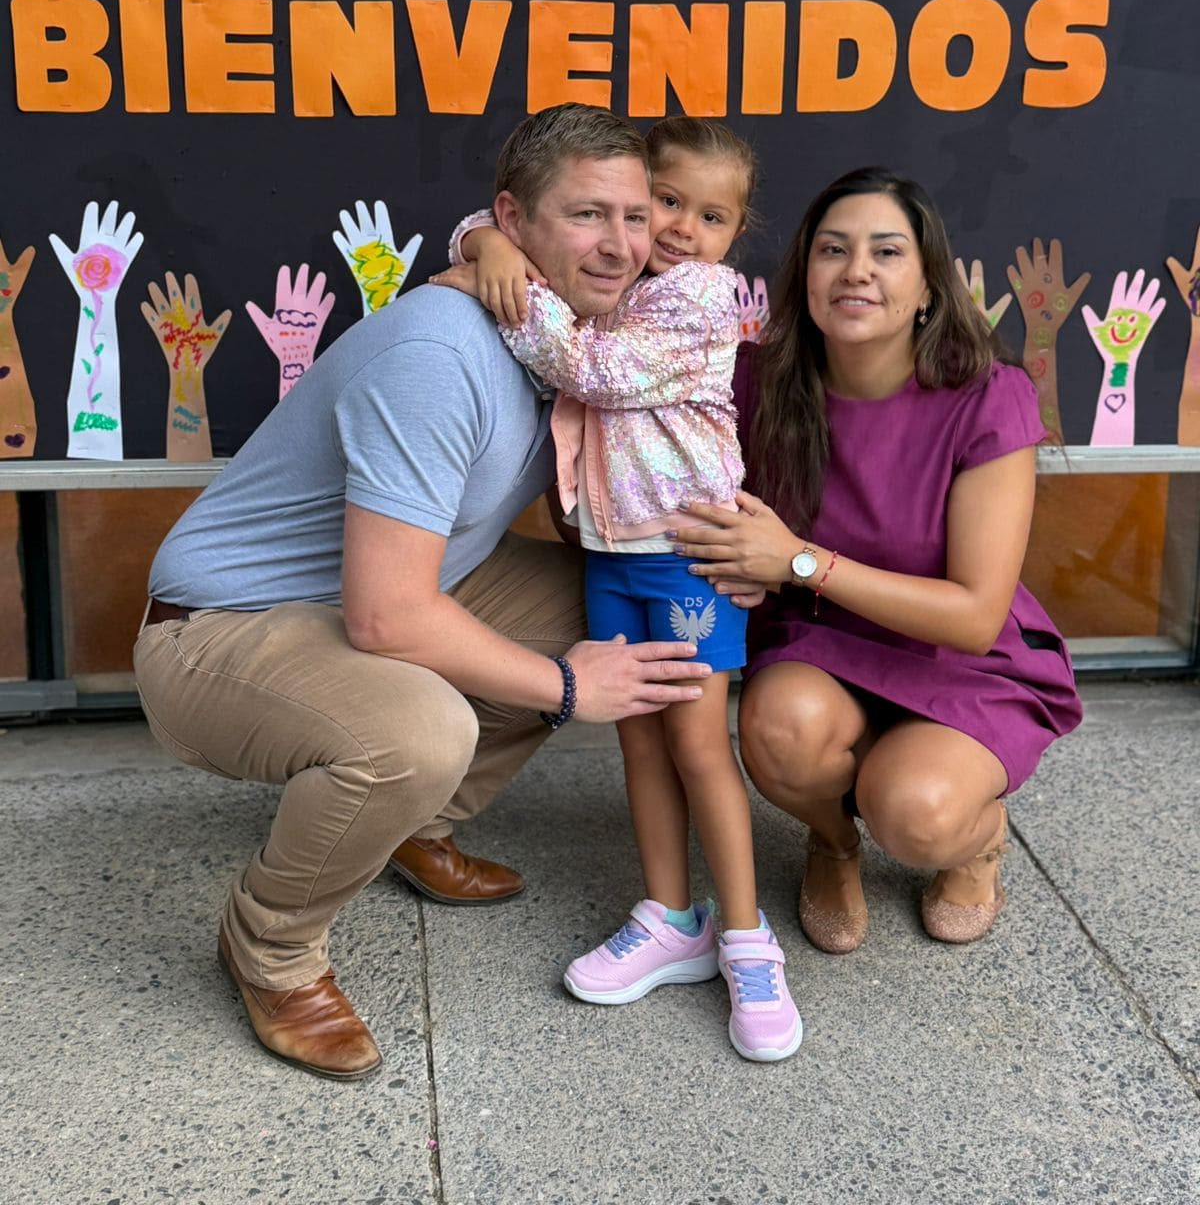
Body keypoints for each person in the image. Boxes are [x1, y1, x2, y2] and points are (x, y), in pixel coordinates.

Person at [131, 103, 717, 1082]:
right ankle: (270, 944)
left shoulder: (563, 332)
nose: (621, 246)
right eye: (586, 215)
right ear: (514, 219)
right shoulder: (441, 355)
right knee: (419, 731)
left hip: (388, 585)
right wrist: (569, 688)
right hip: (218, 630)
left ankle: (413, 827)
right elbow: (387, 616)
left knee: (612, 606)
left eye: (634, 215)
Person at [435, 118, 802, 1062]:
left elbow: (592, 371)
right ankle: (670, 918)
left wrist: (502, 274)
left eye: (710, 216)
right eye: (662, 203)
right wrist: (483, 243)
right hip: (612, 553)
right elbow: (508, 227)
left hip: (686, 557)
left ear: (737, 234)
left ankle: (746, 940)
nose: (678, 228)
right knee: (638, 744)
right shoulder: (619, 277)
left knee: (698, 746)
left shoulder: (702, 296)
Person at [672, 166, 1083, 953]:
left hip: (962, 659)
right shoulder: (753, 380)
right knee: (781, 730)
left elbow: (975, 616)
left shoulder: (986, 396)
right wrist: (489, 244)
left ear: (927, 286)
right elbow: (617, 307)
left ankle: (980, 838)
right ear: (806, 276)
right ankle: (832, 841)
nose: (856, 270)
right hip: (823, 648)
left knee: (917, 812)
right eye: (833, 250)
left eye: (886, 252)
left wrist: (797, 562)